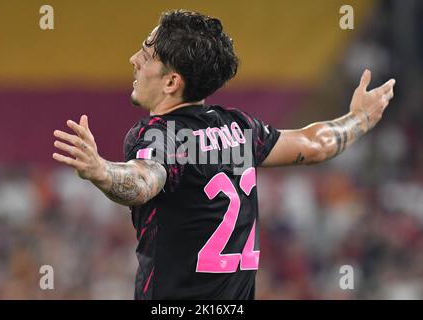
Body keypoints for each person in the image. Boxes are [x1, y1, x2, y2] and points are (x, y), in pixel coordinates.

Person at [52, 10, 395, 299]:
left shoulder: (159, 133)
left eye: (146, 53)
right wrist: (360, 119)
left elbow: (144, 181)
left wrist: (101, 171)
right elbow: (315, 145)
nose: (134, 60)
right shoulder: (241, 128)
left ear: (171, 82)